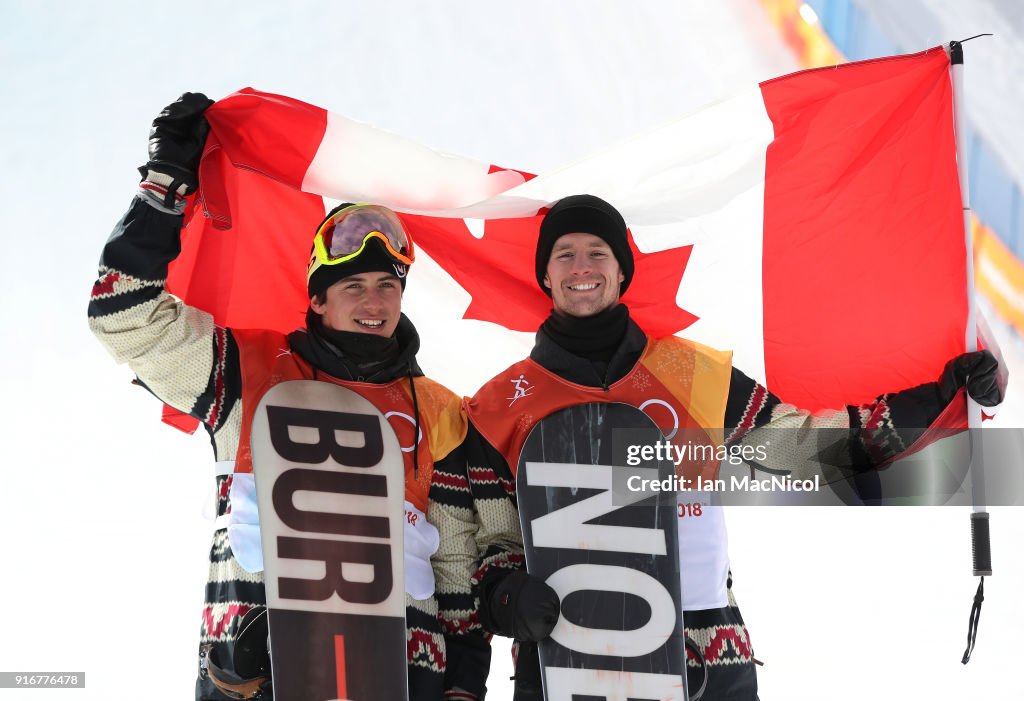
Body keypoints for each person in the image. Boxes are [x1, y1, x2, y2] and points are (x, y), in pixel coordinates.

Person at [461, 194, 1003, 700]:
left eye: (597, 252)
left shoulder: (691, 373)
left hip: (704, 654)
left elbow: (803, 448)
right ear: (545, 274)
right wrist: (505, 596)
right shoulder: (502, 403)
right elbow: (488, 543)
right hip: (567, 658)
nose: (582, 267)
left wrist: (936, 399)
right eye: (565, 254)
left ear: (621, 270)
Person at [88, 93, 488, 701]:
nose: (374, 302)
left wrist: (462, 683)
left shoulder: (440, 409)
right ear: (318, 300)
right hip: (256, 660)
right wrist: (166, 183)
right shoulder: (244, 369)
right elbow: (123, 315)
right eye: (352, 285)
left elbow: (456, 557)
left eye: (387, 286)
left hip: (404, 668)